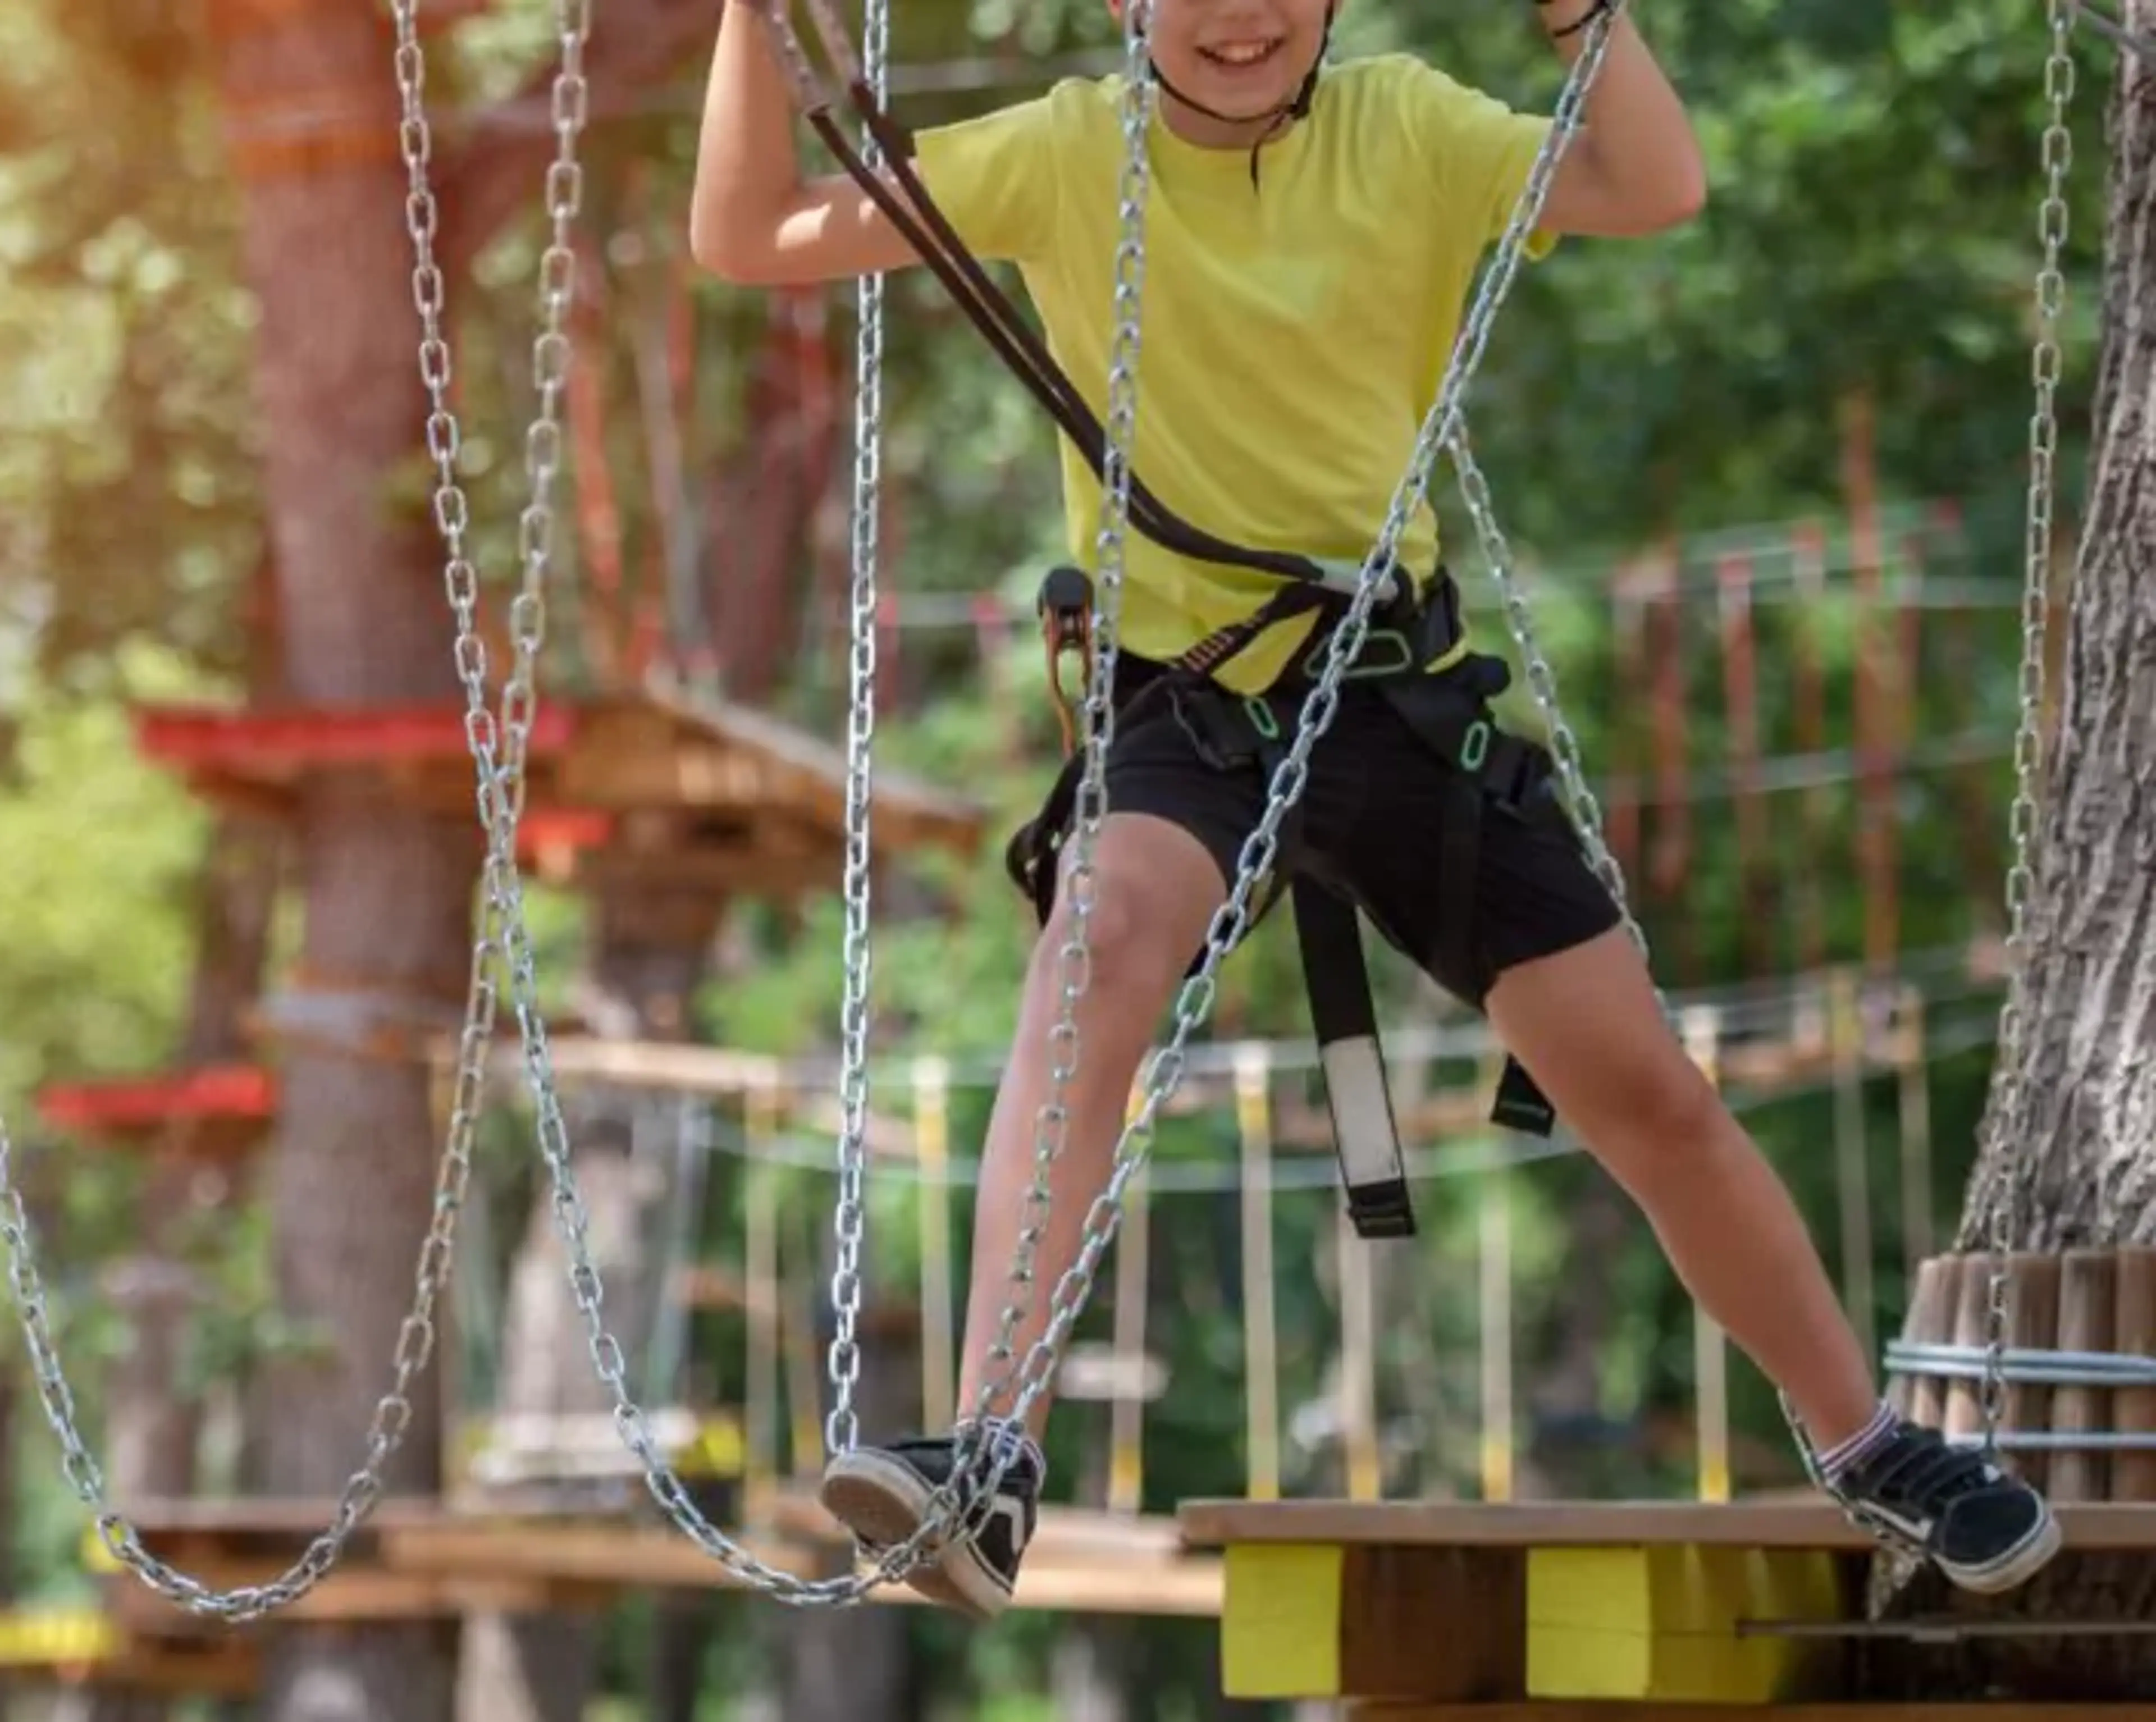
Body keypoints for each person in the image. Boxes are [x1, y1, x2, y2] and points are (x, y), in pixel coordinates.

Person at [691, 0, 2060, 1623]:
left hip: (1393, 696)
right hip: (1187, 706)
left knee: (1645, 1091)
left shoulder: (1407, 127)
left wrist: (1574, 15)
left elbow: (1654, 184)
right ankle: (991, 1456)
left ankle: (1870, 1441)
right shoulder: (1067, 154)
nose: (1243, 18)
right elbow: (751, 236)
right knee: (1095, 951)